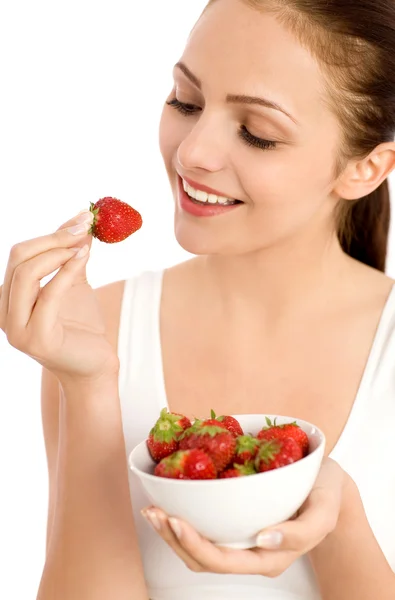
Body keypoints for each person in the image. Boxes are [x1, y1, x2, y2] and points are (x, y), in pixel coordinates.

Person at [1, 0, 395, 598]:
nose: (191, 154)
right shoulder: (97, 329)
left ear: (366, 168)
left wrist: (340, 526)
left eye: (257, 134)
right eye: (186, 101)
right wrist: (87, 389)